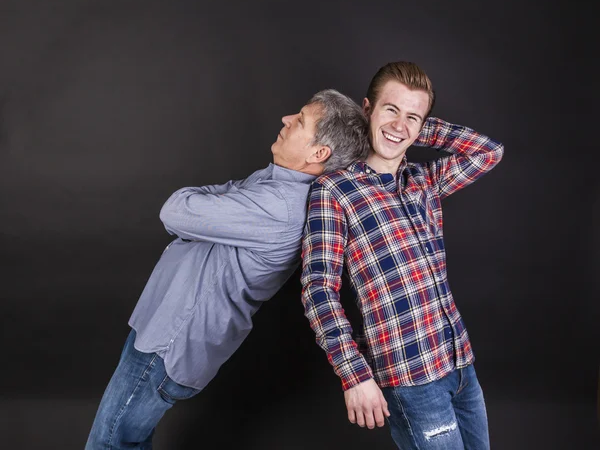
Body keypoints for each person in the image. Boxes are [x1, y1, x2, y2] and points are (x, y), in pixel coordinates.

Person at [85, 89, 369, 449]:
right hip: (160, 328)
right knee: (130, 439)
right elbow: (214, 199)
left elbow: (174, 210)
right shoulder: (274, 182)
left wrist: (214, 203)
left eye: (299, 121)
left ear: (319, 153)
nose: (286, 120)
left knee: (110, 442)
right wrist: (220, 201)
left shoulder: (279, 205)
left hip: (170, 342)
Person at [301, 62, 504, 449]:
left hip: (461, 363)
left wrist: (412, 125)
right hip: (411, 377)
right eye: (390, 109)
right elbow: (318, 289)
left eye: (413, 116)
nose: (399, 124)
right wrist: (354, 374)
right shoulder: (335, 191)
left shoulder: (423, 181)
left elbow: (489, 152)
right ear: (367, 109)